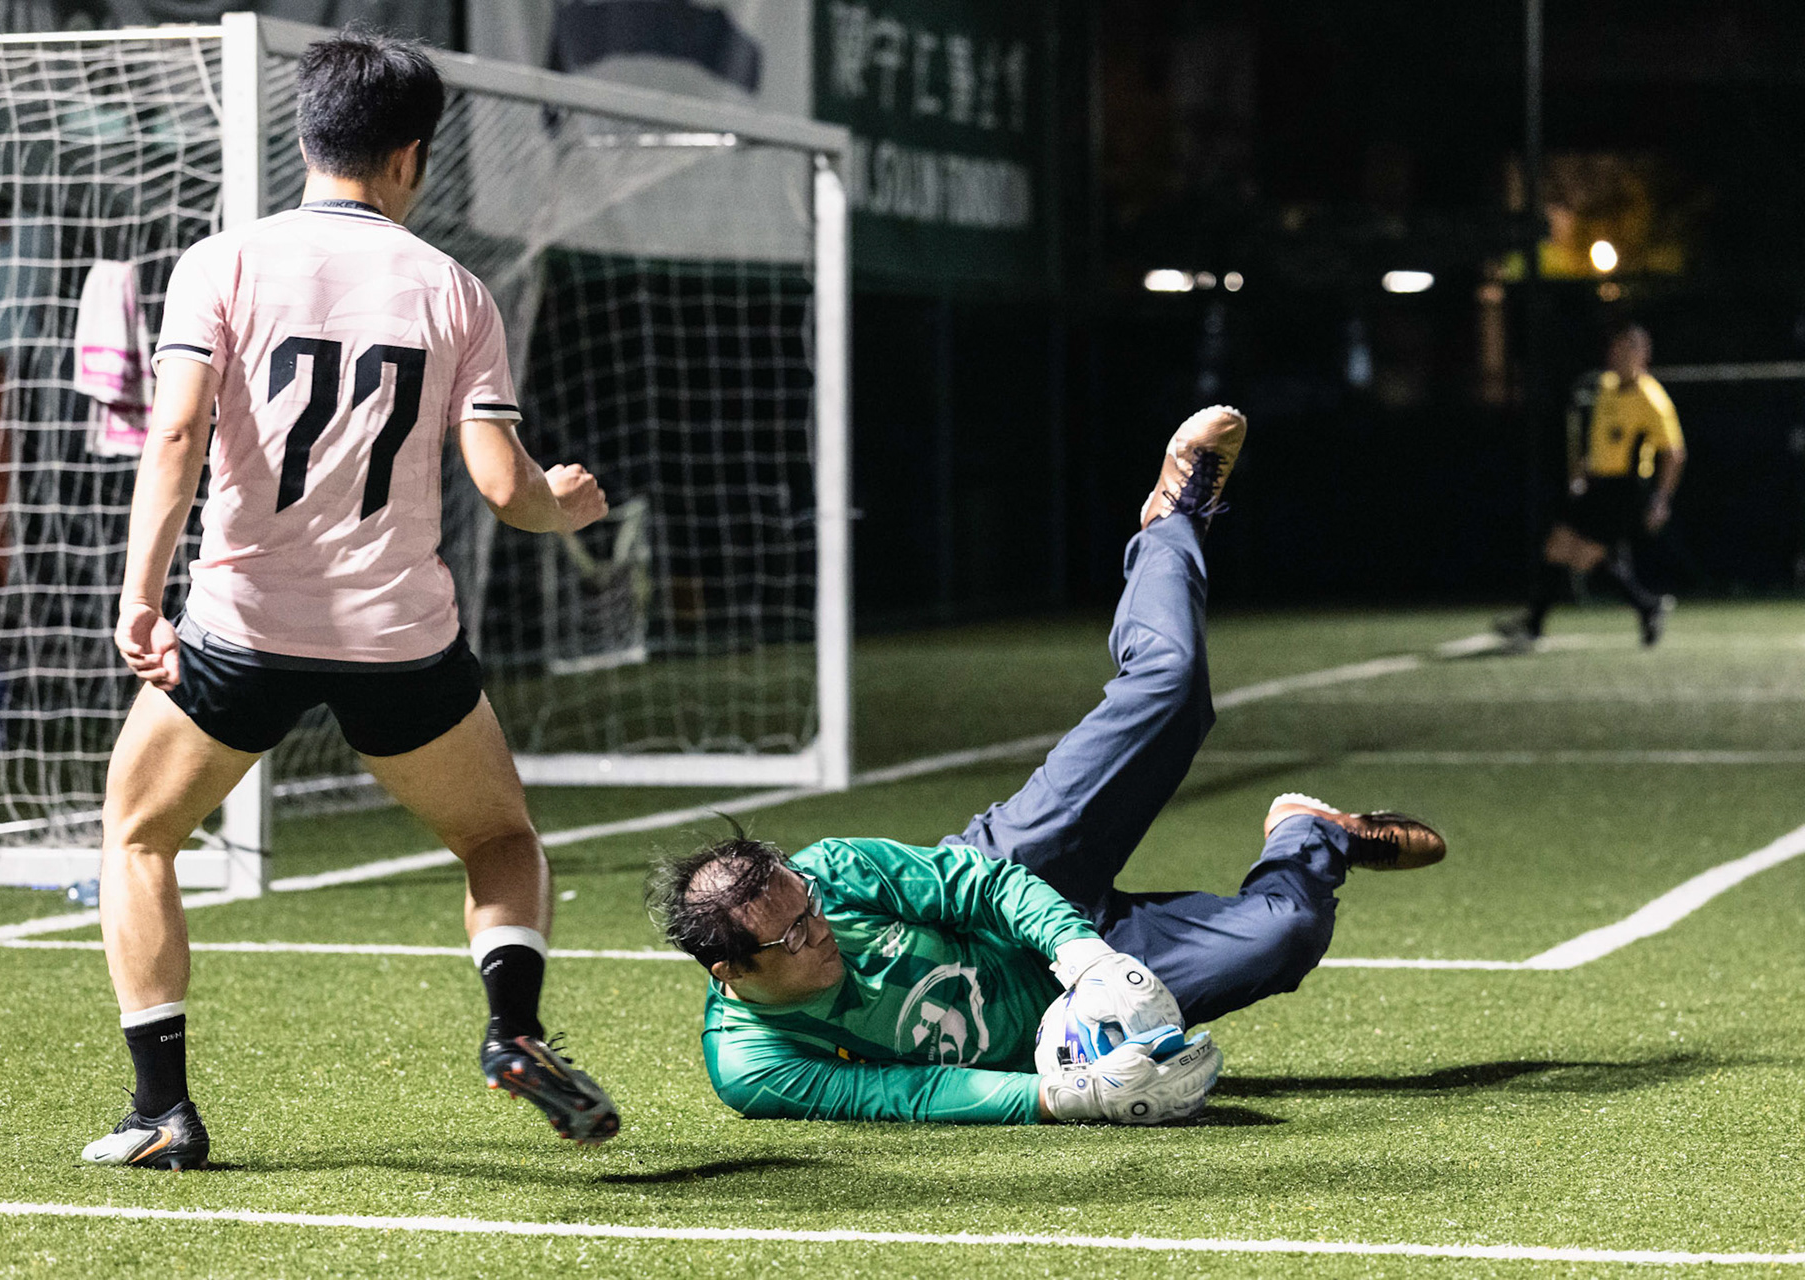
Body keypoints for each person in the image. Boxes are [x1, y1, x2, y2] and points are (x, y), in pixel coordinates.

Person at [82, 32, 620, 1169]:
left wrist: (140, 595)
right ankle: (513, 1029)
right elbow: (502, 487)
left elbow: (175, 435)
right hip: (400, 644)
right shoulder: (453, 289)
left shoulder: (220, 262)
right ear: (412, 156)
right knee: (500, 841)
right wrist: (567, 506)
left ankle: (161, 1111)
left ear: (304, 135)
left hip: (240, 630)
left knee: (138, 837)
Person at [648, 406, 1448, 1125]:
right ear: (730, 973)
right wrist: (1064, 1095)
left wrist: (1086, 956)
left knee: (1169, 691)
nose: (820, 928)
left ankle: (1171, 520)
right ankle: (1312, 837)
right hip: (1045, 1027)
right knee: (1288, 935)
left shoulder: (834, 873)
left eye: (810, 907)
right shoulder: (753, 1067)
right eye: (794, 935)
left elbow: (981, 887)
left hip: (1017, 872)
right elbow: (903, 1094)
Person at [1501, 323, 1686, 648]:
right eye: (1615, 349)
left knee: (1583, 555)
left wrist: (1661, 499)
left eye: (1627, 350)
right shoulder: (1607, 385)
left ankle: (1534, 624)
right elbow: (1600, 441)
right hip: (1598, 486)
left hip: (1625, 490)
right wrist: (1584, 472)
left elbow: (1674, 453)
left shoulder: (1651, 399)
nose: (1617, 355)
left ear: (1643, 356)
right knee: (1561, 548)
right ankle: (1646, 606)